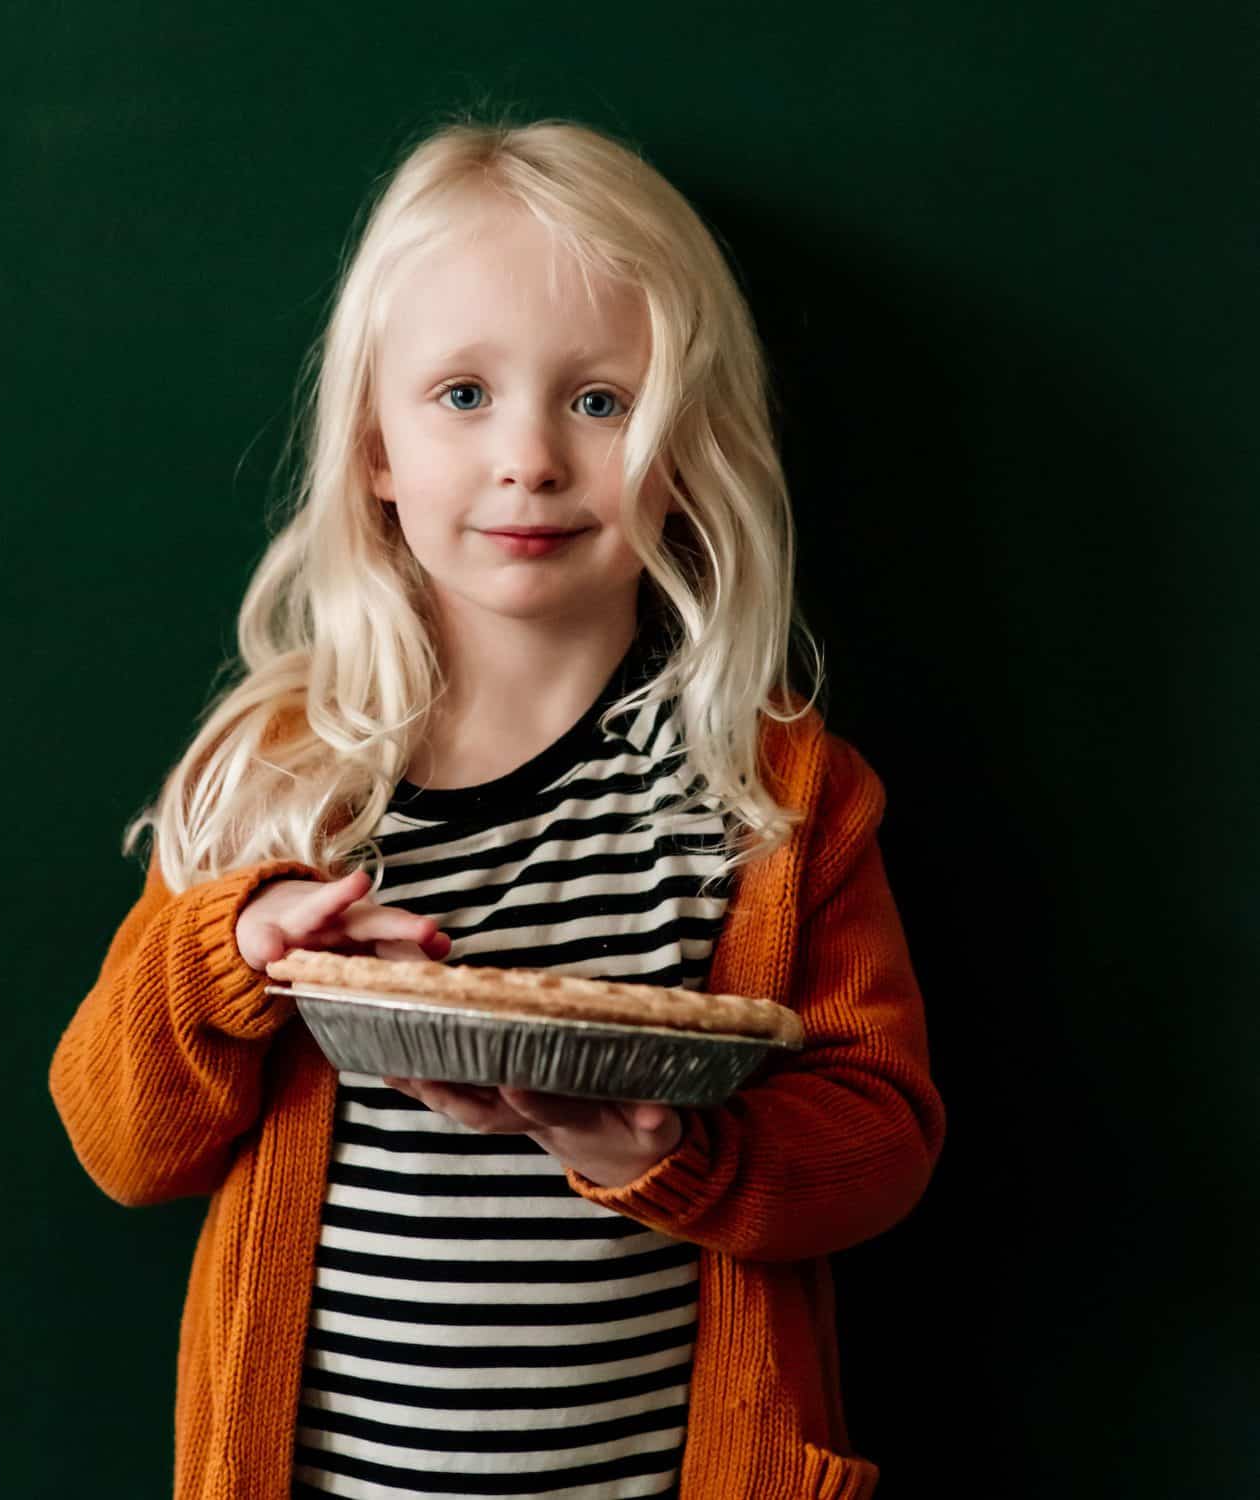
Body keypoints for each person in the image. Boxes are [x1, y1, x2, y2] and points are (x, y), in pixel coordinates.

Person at [49, 113, 945, 1500]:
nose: (528, 457)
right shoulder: (285, 776)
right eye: (462, 395)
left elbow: (880, 1149)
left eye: (598, 401)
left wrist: (680, 1154)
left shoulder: (771, 792)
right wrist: (232, 952)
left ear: (686, 449)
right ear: (374, 451)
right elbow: (121, 1144)